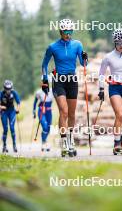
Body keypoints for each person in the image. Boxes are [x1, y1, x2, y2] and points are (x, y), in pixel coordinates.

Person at [41, 19, 88, 157]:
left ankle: (70, 139)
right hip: (59, 81)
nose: (68, 34)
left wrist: (85, 58)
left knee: (72, 114)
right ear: (61, 32)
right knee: (64, 111)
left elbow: (83, 63)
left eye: (70, 31)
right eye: (65, 32)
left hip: (72, 80)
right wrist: (44, 79)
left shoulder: (77, 44)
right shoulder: (52, 47)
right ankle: (64, 144)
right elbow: (44, 65)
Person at [0, 80, 20, 153]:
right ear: (4, 88)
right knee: (5, 129)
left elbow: (18, 102)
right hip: (4, 112)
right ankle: (4, 145)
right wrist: (1, 107)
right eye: (6, 89)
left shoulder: (14, 92)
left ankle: (14, 145)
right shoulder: (1, 93)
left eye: (9, 89)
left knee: (12, 127)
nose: (8, 90)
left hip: (12, 111)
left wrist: (18, 109)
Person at [33, 87, 53, 151]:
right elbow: (35, 101)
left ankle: (45, 141)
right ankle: (43, 143)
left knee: (49, 128)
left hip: (49, 111)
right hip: (42, 111)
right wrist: (34, 111)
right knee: (45, 126)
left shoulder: (52, 91)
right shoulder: (39, 92)